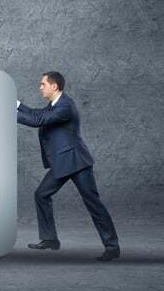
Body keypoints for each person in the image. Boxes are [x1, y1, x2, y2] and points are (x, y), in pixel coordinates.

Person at [16, 71, 120, 261]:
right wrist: (15, 104)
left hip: (78, 163)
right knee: (41, 194)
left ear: (54, 86)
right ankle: (50, 239)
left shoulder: (65, 106)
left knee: (93, 204)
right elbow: (36, 113)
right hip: (62, 163)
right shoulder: (54, 104)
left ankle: (112, 247)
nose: (40, 87)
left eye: (43, 84)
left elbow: (37, 121)